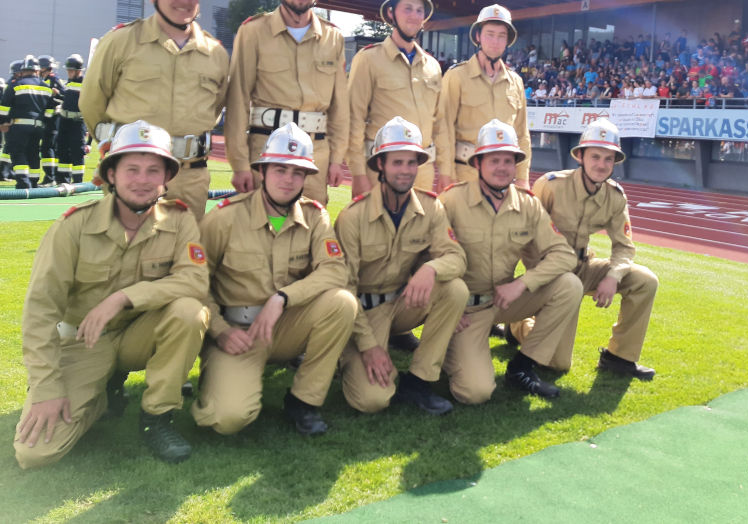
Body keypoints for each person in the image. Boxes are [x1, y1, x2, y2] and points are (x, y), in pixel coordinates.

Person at [14, 121, 210, 468]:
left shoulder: (180, 220)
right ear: (111, 174)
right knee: (36, 453)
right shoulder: (73, 226)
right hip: (84, 341)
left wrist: (122, 298)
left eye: (153, 170)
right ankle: (99, 397)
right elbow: (40, 311)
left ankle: (157, 417)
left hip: (137, 334)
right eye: (131, 169)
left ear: (166, 177)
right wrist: (46, 387)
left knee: (189, 311)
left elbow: (194, 281)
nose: (142, 179)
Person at [192, 123, 357, 436]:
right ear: (263, 171)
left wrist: (282, 298)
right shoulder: (224, 219)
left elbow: (335, 270)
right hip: (237, 333)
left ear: (306, 177)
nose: (288, 180)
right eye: (280, 169)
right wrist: (220, 330)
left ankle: (304, 401)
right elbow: (194, 282)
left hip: (286, 326)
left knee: (342, 303)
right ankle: (220, 377)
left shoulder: (314, 215)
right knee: (228, 419)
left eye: (297, 173)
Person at [80, 0, 229, 220]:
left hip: (189, 175)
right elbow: (92, 102)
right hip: (135, 171)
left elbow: (216, 106)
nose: (184, 1)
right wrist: (113, 148)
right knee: (128, 252)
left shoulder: (215, 53)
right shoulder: (120, 41)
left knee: (184, 253)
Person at [440, 120, 581, 404]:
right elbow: (427, 257)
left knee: (569, 285)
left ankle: (522, 366)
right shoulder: (451, 201)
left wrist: (523, 284)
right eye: (494, 160)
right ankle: (450, 350)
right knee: (475, 393)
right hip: (465, 310)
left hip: (504, 299)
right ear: (478, 163)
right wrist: (444, 308)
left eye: (508, 160)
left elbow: (564, 254)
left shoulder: (527, 204)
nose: (502, 167)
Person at [334, 117, 468, 415]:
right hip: (363, 314)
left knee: (454, 289)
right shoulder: (352, 217)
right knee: (372, 400)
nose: (405, 170)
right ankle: (349, 358)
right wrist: (368, 347)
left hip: (402, 304)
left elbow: (456, 257)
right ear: (380, 164)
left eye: (411, 162)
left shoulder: (431, 208)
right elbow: (344, 289)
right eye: (397, 162)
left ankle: (419, 380)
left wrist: (429, 269)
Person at [509, 119, 657, 380]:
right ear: (580, 156)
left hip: (583, 266)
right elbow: (524, 232)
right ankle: (519, 326)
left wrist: (612, 277)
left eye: (608, 159)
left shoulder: (614, 196)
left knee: (645, 280)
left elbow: (624, 246)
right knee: (557, 363)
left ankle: (619, 357)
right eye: (595, 156)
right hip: (550, 272)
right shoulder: (551, 185)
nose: (601, 164)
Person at [225, 0, 347, 205]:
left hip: (315, 154)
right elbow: (237, 100)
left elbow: (340, 107)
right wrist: (239, 163)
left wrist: (337, 159)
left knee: (311, 226)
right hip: (265, 150)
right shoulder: (253, 32)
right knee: (259, 231)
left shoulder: (333, 38)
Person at [347, 0, 440, 197]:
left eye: (419, 10)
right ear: (391, 13)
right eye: (407, 8)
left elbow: (441, 124)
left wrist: (444, 171)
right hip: (379, 170)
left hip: (421, 172)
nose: (414, 15)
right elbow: (354, 119)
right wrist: (358, 174)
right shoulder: (368, 59)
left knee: (417, 231)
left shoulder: (433, 66)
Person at [434, 5, 531, 191]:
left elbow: (522, 134)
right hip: (465, 174)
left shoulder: (515, 81)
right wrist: (446, 173)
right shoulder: (456, 77)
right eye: (490, 34)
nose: (495, 41)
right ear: (478, 36)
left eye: (502, 35)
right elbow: (444, 128)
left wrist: (523, 177)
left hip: (504, 177)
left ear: (508, 40)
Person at [0, 55, 54, 188]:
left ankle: (23, 182)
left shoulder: (15, 85)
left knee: (18, 152)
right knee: (34, 153)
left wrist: (3, 123)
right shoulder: (46, 87)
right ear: (37, 71)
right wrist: (44, 122)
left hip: (19, 126)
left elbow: (4, 107)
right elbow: (50, 109)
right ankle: (34, 181)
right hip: (38, 127)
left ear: (22, 71)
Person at [56, 54, 87, 184]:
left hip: (77, 123)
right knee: (62, 149)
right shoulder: (68, 83)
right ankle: (63, 180)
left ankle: (78, 181)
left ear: (78, 71)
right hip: (64, 121)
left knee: (77, 152)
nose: (69, 73)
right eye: (68, 70)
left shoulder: (86, 83)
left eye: (71, 71)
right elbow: (67, 99)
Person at [37, 55, 65, 186]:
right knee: (46, 148)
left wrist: (57, 94)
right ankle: (50, 177)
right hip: (45, 120)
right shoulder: (41, 79)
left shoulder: (54, 79)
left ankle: (50, 178)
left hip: (53, 120)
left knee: (48, 148)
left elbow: (64, 96)